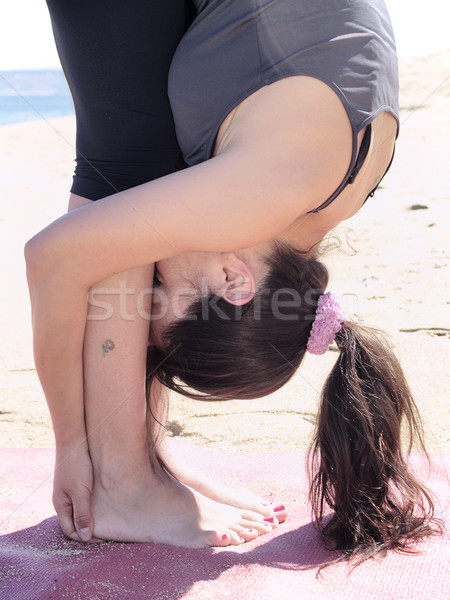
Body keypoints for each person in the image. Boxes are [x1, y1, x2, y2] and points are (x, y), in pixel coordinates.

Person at [26, 0, 438, 559]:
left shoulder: (331, 196)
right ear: (232, 279)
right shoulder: (254, 194)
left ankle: (143, 462)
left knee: (141, 174)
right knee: (124, 183)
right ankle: (122, 479)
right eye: (157, 300)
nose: (138, 291)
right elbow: (53, 258)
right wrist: (73, 444)